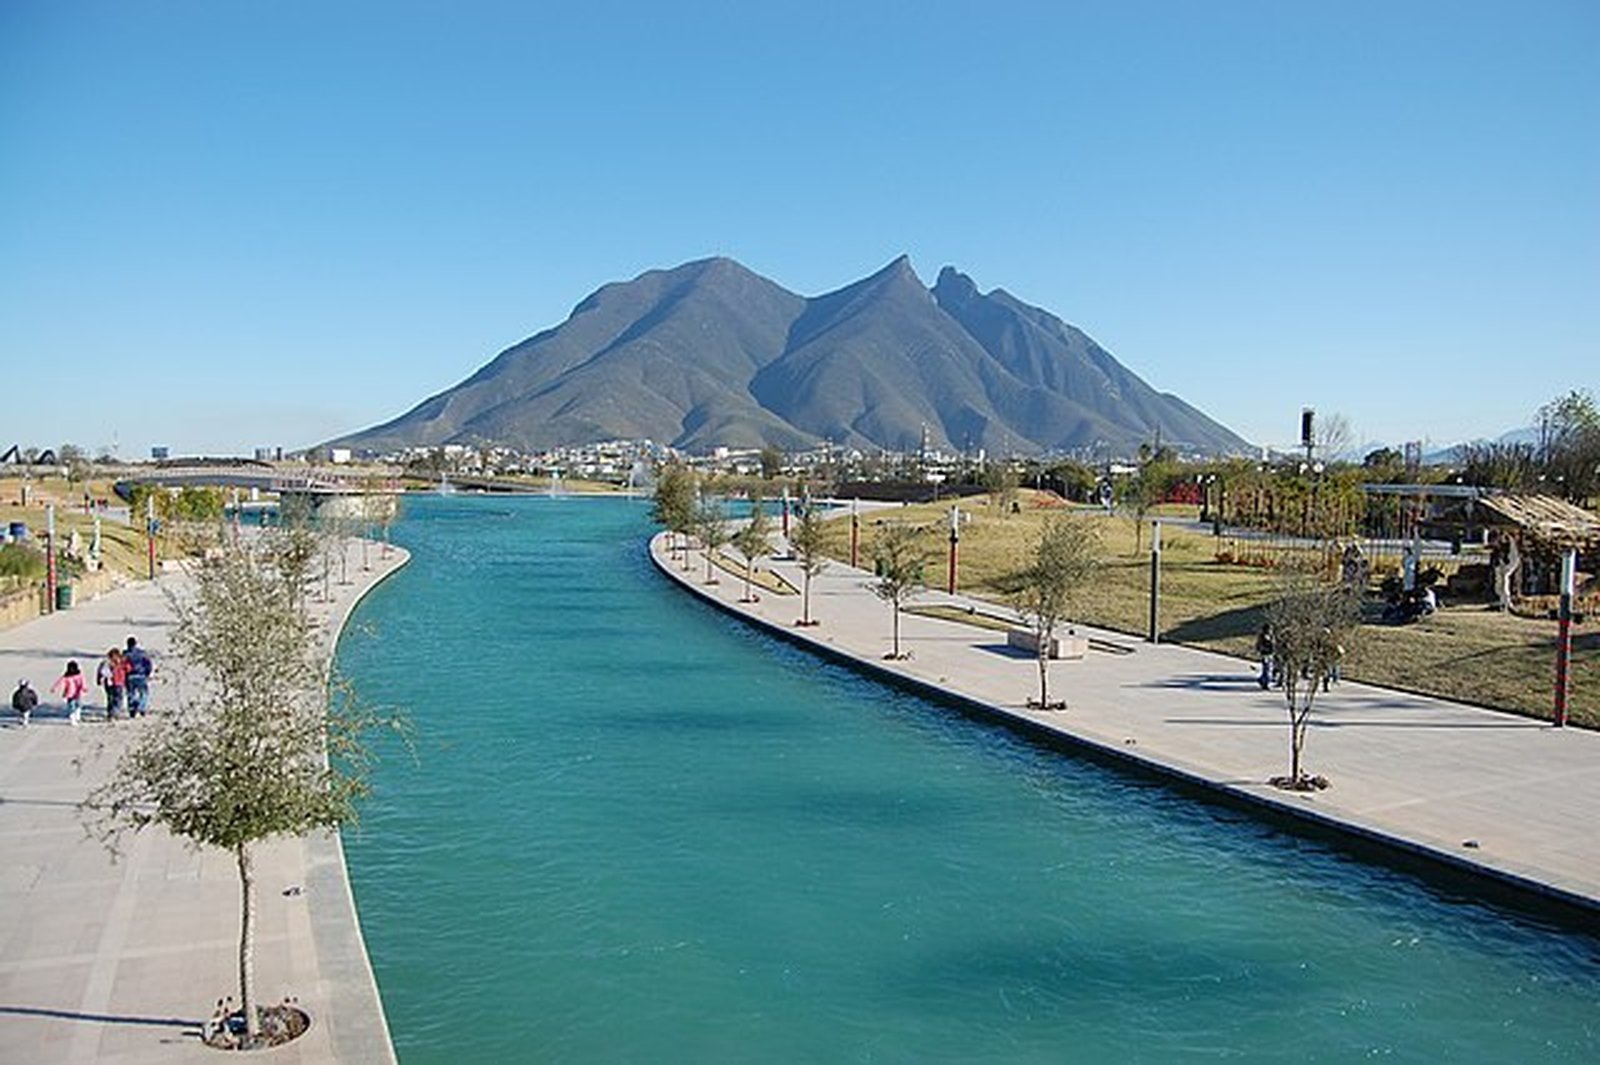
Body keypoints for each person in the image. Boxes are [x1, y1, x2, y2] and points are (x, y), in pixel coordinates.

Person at [124, 636, 154, 717]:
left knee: (131, 693)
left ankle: (132, 708)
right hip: (141, 675)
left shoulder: (125, 654)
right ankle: (142, 707)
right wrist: (147, 673)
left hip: (129, 676)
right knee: (144, 693)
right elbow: (148, 664)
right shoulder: (142, 653)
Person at [96, 647, 128, 722]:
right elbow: (127, 669)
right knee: (117, 698)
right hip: (117, 682)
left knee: (111, 698)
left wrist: (98, 680)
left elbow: (100, 672)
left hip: (109, 683)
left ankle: (111, 713)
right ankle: (114, 713)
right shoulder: (121, 662)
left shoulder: (106, 662)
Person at [52, 660, 86, 726]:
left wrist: (84, 688)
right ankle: (72, 719)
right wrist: (54, 688)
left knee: (78, 705)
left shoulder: (79, 675)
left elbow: (82, 682)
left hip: (77, 693)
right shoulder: (66, 676)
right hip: (69, 694)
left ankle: (77, 715)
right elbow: (59, 682)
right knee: (71, 706)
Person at [1255, 623, 1276, 690]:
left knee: (1268, 668)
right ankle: (1265, 683)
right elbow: (1259, 645)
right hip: (1265, 654)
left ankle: (1262, 680)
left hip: (1270, 654)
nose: (1270, 631)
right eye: (1269, 629)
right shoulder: (1262, 636)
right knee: (1267, 669)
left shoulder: (1271, 636)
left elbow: (1273, 644)